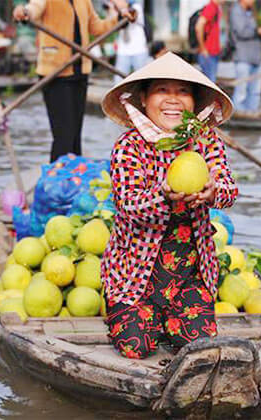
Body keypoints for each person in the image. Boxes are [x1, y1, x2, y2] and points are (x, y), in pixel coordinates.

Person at [99, 52, 237, 359]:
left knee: (199, 346)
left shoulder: (207, 142)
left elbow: (229, 190)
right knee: (136, 347)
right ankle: (131, 310)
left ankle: (171, 316)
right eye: (162, 90)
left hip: (189, 278)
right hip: (133, 277)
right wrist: (163, 194)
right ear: (145, 98)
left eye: (183, 92)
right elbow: (129, 205)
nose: (172, 100)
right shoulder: (128, 146)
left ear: (195, 102)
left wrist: (214, 191)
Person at [13, 0, 135, 162]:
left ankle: (73, 173)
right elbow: (35, 8)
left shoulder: (83, 1)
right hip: (56, 73)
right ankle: (58, 176)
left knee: (75, 134)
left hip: (79, 72)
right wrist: (25, 12)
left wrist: (119, 19)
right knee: (64, 134)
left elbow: (96, 27)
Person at [229, 0, 261, 112]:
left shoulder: (249, 12)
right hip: (243, 57)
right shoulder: (236, 11)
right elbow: (241, 32)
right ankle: (239, 115)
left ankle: (252, 113)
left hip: (255, 58)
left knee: (255, 90)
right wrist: (259, 31)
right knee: (241, 91)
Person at [112, 0, 150, 83]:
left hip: (139, 50)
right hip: (123, 50)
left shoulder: (136, 7)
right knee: (118, 81)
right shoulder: (117, 10)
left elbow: (132, 17)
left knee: (143, 80)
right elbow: (113, 24)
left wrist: (123, 10)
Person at [195, 0, 224, 82]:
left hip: (213, 52)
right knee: (209, 83)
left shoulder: (217, 8)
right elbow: (199, 26)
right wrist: (203, 48)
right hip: (208, 53)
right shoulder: (211, 7)